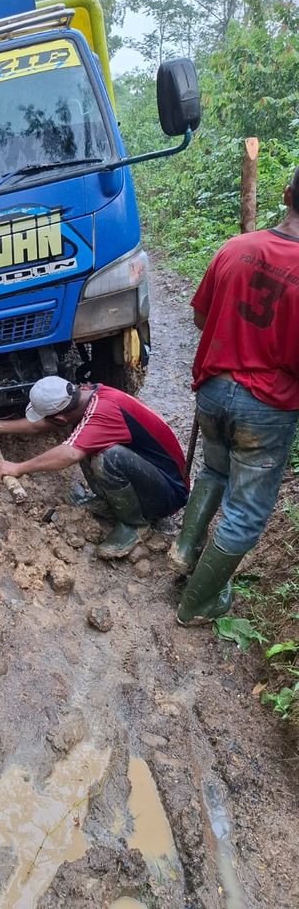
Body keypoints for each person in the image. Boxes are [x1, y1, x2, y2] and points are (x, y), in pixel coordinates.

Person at [171, 171, 299, 626]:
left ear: (286, 196)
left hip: (213, 390)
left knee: (215, 469)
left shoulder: (234, 247)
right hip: (265, 407)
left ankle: (184, 551)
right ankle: (197, 604)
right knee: (246, 511)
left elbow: (201, 319)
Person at [0, 375, 189, 558]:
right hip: (149, 475)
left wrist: (19, 468)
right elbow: (45, 424)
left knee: (107, 457)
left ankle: (134, 525)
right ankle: (108, 501)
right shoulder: (85, 395)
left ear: (60, 416)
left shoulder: (103, 413)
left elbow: (69, 454)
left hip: (169, 494)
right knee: (85, 440)